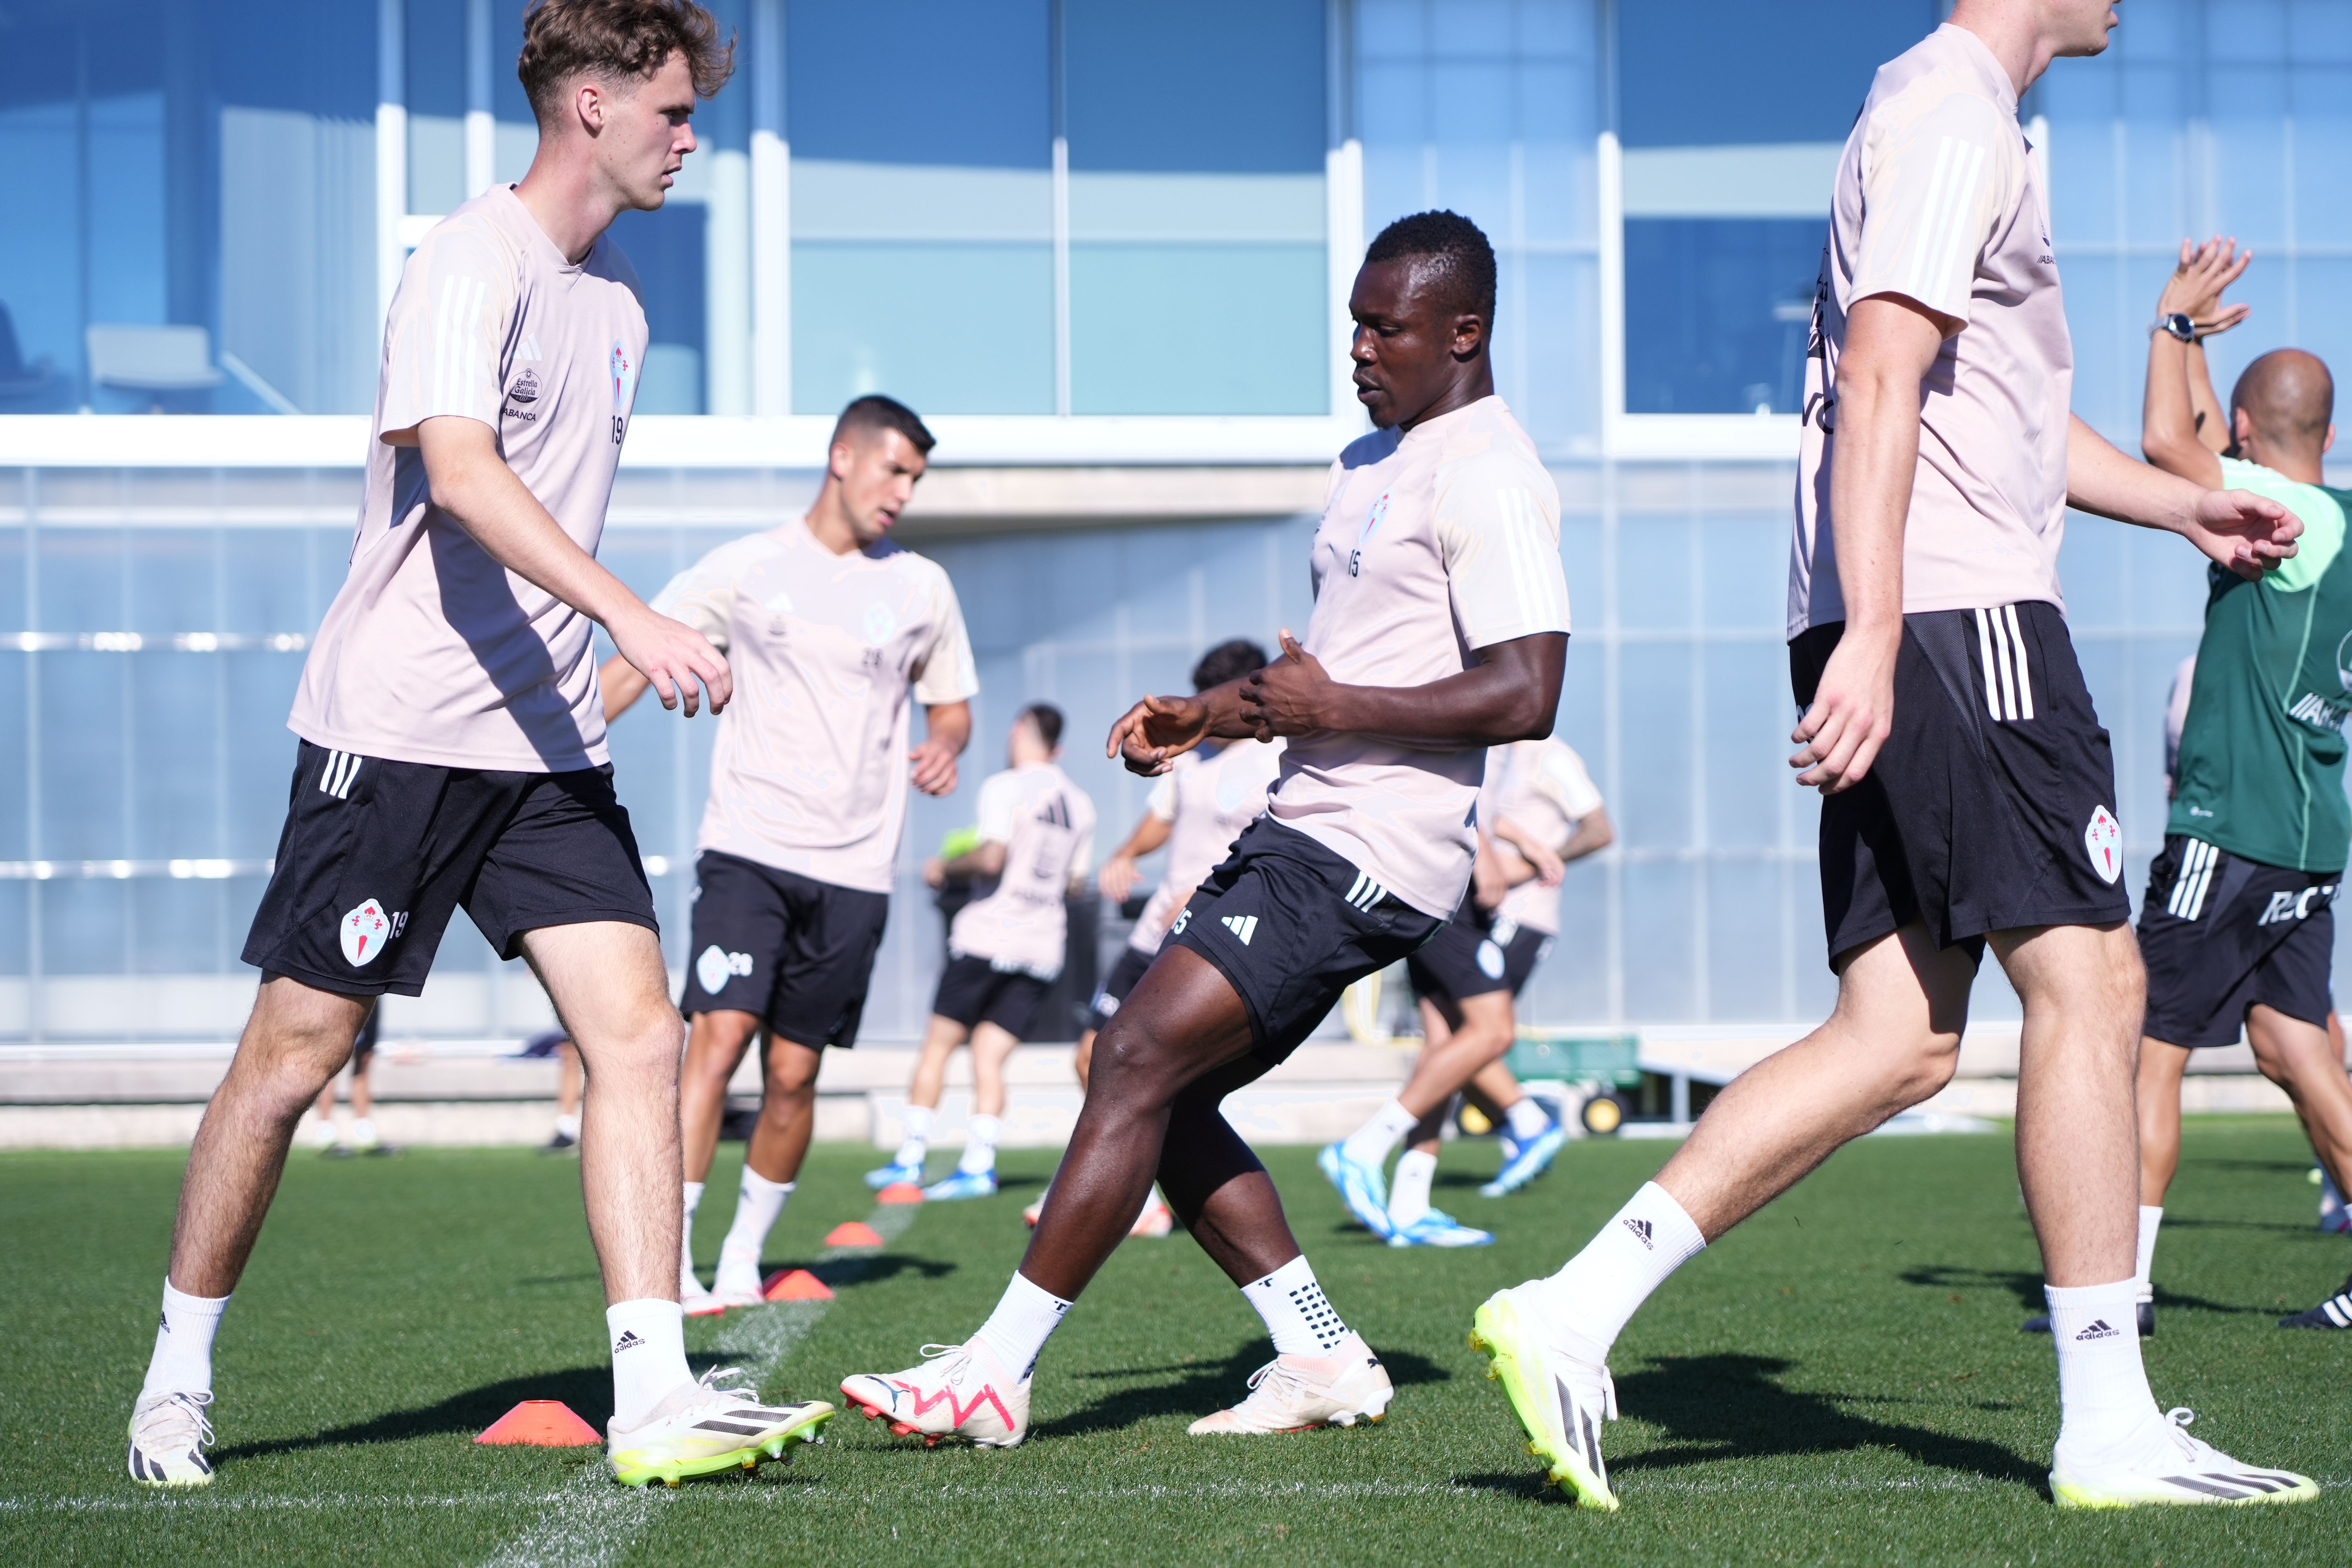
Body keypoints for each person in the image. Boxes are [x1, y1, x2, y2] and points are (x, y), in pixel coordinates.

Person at [1468, 3, 2317, 1514]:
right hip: (1952, 619)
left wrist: (2183, 505)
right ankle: (2109, 1422)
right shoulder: (1953, 117)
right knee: (2095, 983)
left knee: (1899, 1034)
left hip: (1904, 613)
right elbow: (1879, 375)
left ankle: (1572, 1309)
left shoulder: (1946, 114)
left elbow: (1990, 416)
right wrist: (1874, 631)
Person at [121, 0, 831, 1492]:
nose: (690, 141)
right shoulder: (468, 259)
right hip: (397, 732)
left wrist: (598, 648)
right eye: (673, 112)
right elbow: (459, 472)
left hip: (547, 749)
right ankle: (175, 1379)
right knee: (297, 1055)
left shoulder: (618, 303)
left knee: (638, 1034)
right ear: (591, 104)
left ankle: (652, 1388)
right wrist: (633, 614)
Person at [839, 209, 1573, 1445]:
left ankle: (991, 1373)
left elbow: (1527, 692)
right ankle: (1318, 1353)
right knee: (1157, 1087)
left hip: (1370, 849)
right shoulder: (1366, 462)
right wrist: (1207, 717)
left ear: (1464, 333)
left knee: (1132, 1053)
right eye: (1353, 323)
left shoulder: (1490, 472)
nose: (1360, 347)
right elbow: (1323, 677)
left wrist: (1331, 707)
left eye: (1386, 328)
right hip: (1302, 825)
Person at [599, 394, 975, 1310]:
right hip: (749, 846)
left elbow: (953, 705)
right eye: (894, 470)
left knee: (795, 1074)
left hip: (855, 869)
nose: (904, 492)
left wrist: (945, 744)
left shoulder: (923, 587)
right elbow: (637, 658)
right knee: (717, 1040)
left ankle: (742, 1255)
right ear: (843, 456)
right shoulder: (746, 566)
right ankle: (670, 1259)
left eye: (916, 480)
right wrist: (550, 748)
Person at [2100, 238, 2352, 1335]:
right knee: (2295, 1047)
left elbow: (2169, 447)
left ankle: (2120, 1286)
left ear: (2249, 437)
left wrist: (2168, 325)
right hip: (2308, 838)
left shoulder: (2275, 512)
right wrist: (2200, 351)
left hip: (2230, 830)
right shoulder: (2334, 519)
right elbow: (2209, 439)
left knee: (2144, 1047)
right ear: (2327, 433)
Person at [1020, 638, 1285, 1237]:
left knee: (1164, 1080)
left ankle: (1131, 1194)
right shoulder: (1191, 755)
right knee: (1091, 1057)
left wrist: (1215, 893)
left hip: (1208, 936)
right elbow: (1161, 818)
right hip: (1151, 935)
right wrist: (1123, 854)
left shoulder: (1275, 760)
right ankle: (1130, 1194)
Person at [1323, 738, 1610, 1245]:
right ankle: (1366, 1147)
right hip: (1447, 889)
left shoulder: (1509, 742)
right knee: (1492, 1032)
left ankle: (1410, 1204)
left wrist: (1521, 844)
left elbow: (1484, 802)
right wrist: (1489, 858)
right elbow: (1444, 793)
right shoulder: (1473, 719)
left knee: (1444, 1045)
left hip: (1452, 893)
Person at [867, 704, 1095, 1201]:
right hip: (1041, 950)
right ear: (1058, 747)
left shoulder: (1005, 786)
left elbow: (992, 856)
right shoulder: (1082, 804)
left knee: (938, 1047)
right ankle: (978, 1166)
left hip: (988, 937)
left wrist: (945, 867)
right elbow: (1075, 884)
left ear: (1019, 731)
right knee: (989, 1059)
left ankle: (910, 1159)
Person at [307, 1009, 397, 1158]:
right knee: (330, 1055)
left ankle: (364, 1133)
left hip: (370, 996)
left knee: (365, 1055)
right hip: (337, 997)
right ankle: (325, 1133)